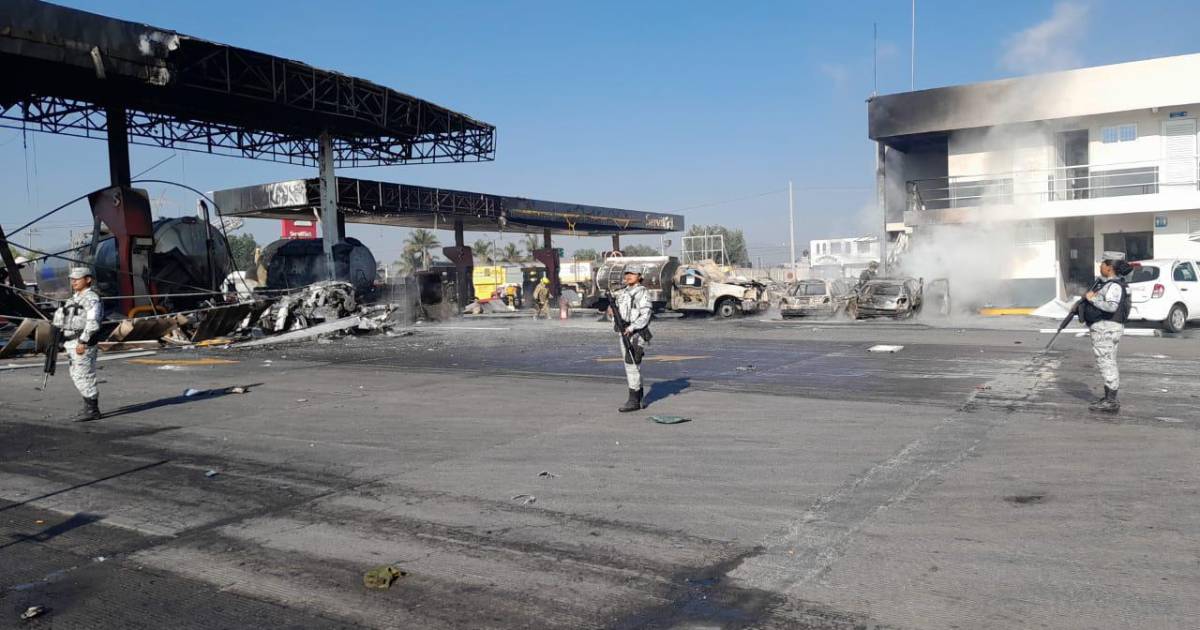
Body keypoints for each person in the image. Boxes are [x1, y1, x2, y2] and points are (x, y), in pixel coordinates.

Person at [1080, 253, 1133, 413]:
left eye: (1103, 263)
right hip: (1108, 328)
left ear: (1110, 267)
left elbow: (1111, 306)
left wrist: (1092, 298)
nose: (1100, 266)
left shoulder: (1114, 286)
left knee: (1106, 362)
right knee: (1108, 361)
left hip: (1106, 329)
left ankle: (1111, 401)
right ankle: (1109, 397)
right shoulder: (1113, 284)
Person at [52, 267, 104, 422]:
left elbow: (93, 322)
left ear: (88, 279)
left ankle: (92, 409)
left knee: (84, 375)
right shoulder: (74, 298)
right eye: (72, 279)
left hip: (82, 341)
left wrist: (83, 341)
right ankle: (89, 406)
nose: (73, 282)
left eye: (77, 279)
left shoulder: (91, 298)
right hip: (71, 341)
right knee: (76, 375)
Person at [611, 269, 653, 412]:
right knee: (630, 365)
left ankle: (634, 400)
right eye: (627, 274)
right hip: (624, 331)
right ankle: (639, 398)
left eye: (632, 274)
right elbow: (618, 312)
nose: (628, 276)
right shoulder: (623, 292)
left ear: (639, 276)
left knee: (632, 365)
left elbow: (646, 314)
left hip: (635, 333)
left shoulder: (642, 292)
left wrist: (632, 327)